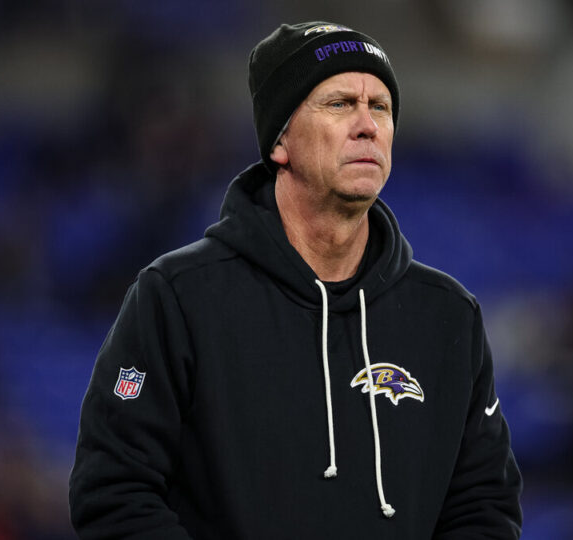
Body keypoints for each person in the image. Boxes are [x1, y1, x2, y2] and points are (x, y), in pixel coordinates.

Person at [69, 21, 523, 539]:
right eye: (339, 104)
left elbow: (484, 508)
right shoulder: (178, 298)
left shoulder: (447, 317)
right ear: (280, 139)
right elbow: (114, 494)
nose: (367, 125)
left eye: (380, 107)